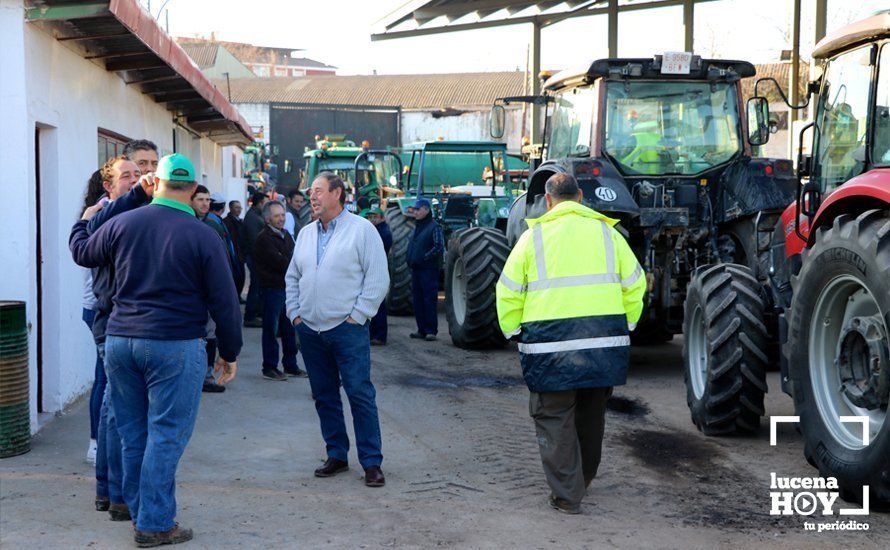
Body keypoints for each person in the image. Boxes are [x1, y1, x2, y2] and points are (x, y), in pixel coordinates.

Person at [70, 153, 242, 546]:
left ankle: (138, 509)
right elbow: (225, 301)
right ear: (194, 189)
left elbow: (82, 252)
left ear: (155, 182)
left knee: (133, 433)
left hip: (121, 342)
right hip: (174, 345)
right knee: (166, 434)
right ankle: (155, 523)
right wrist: (228, 352)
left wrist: (86, 219)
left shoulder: (124, 222)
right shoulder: (203, 234)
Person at [495, 173, 646, 515]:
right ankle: (582, 480)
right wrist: (626, 325)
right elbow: (636, 284)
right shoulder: (609, 235)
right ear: (580, 197)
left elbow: (507, 290)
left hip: (550, 347)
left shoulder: (533, 238)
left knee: (554, 416)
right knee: (591, 417)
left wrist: (513, 331)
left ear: (548, 201)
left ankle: (566, 494)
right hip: (603, 346)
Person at [285, 172, 389, 487]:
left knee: (359, 394)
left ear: (337, 193)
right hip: (311, 331)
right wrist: (295, 314)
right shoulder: (305, 234)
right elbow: (293, 276)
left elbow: (377, 279)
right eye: (310, 191)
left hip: (347, 330)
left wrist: (357, 317)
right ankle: (337, 454)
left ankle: (371, 462)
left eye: (317, 191)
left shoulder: (362, 230)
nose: (311, 197)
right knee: (324, 395)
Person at [75, 155, 152, 521]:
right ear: (109, 186)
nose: (136, 180)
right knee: (114, 410)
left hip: (124, 323)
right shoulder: (104, 212)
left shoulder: (132, 210)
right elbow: (83, 249)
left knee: (113, 408)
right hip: (112, 322)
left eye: (141, 173)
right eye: (128, 175)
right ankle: (112, 491)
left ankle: (109, 491)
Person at [254, 201, 305, 381]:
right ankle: (270, 366)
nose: (281, 219)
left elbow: (295, 257)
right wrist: (292, 261)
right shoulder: (264, 238)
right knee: (271, 329)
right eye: (277, 216)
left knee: (289, 328)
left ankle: (291, 365)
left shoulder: (286, 236)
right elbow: (283, 263)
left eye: (283, 215)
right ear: (268, 219)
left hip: (287, 290)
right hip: (272, 290)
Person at [190, 186, 230, 394]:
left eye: (208, 200)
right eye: (200, 199)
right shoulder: (187, 224)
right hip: (192, 294)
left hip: (209, 292)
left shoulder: (211, 225)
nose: (205, 204)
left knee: (210, 335)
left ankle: (206, 376)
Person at [81, 170, 106, 466]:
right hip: (99, 307)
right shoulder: (101, 211)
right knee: (104, 376)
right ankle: (96, 442)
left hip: (97, 305)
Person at [406, 198, 444, 341]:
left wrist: (424, 257)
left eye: (418, 209)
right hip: (417, 270)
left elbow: (439, 246)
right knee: (418, 301)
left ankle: (430, 331)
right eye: (415, 210)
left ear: (427, 210)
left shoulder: (434, 227)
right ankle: (421, 330)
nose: (415, 212)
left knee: (428, 300)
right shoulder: (418, 226)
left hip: (428, 270)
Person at [363, 207, 392, 345]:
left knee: (378, 305)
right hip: (371, 270)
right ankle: (373, 334)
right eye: (370, 217)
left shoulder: (384, 233)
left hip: (378, 271)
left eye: (375, 217)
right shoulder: (374, 231)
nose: (372, 220)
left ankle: (380, 336)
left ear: (382, 218)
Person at [243, 192, 268, 327]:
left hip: (257, 257)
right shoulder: (252, 217)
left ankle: (256, 312)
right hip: (255, 257)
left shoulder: (255, 215)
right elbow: (255, 241)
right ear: (259, 203)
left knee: (258, 286)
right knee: (255, 286)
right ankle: (250, 315)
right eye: (265, 203)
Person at [223, 200, 246, 299]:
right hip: (234, 253)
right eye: (236, 207)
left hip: (240, 253)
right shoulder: (227, 222)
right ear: (230, 208)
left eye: (240, 208)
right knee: (235, 277)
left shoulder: (240, 221)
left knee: (241, 277)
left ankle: (238, 296)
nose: (239, 210)